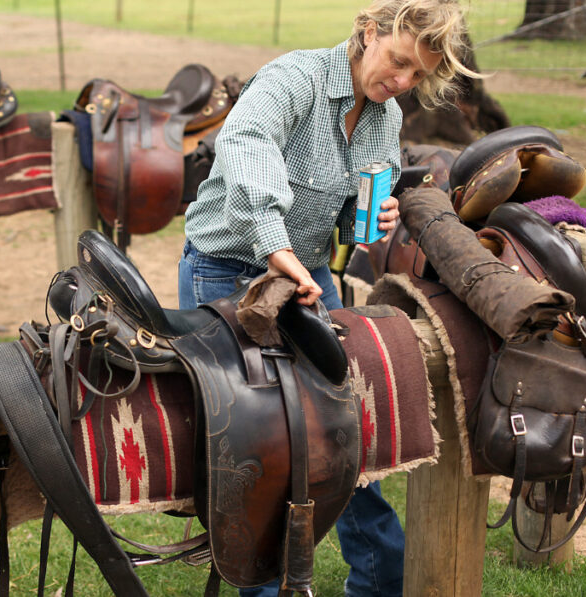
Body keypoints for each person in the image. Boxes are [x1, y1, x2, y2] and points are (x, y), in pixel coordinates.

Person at [178, 0, 478, 595]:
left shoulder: (386, 117)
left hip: (309, 270)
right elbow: (247, 146)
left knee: (343, 426)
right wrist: (274, 246)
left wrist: (369, 217)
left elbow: (346, 213)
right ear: (369, 31)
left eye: (416, 76)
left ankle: (374, 578)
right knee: (257, 443)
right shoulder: (293, 80)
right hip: (227, 270)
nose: (401, 83)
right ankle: (261, 584)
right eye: (397, 63)